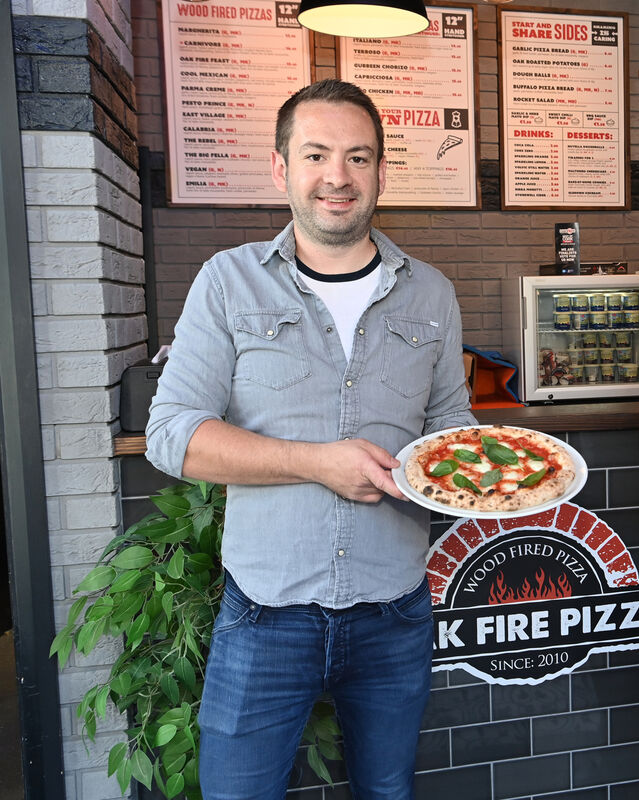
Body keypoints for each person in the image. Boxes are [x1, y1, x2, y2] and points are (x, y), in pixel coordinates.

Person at [146, 79, 475, 799]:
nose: (338, 176)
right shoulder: (229, 283)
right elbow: (172, 435)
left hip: (395, 611)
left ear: (381, 173)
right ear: (281, 168)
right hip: (266, 613)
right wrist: (314, 464)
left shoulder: (432, 293)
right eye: (317, 154)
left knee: (387, 793)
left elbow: (453, 425)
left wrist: (473, 472)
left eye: (359, 158)